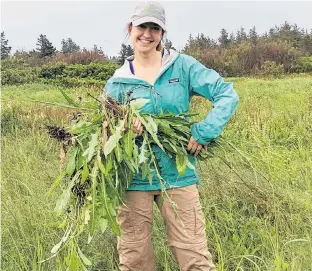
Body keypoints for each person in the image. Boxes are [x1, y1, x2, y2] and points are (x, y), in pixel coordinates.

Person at [103, 2, 239, 270]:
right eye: (142, 26)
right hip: (133, 180)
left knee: (195, 258)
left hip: (178, 175)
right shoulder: (117, 83)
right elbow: (103, 134)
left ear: (162, 33)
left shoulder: (183, 67)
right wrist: (123, 127)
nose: (148, 34)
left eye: (155, 28)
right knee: (135, 261)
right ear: (130, 29)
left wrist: (204, 131)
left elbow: (227, 94)